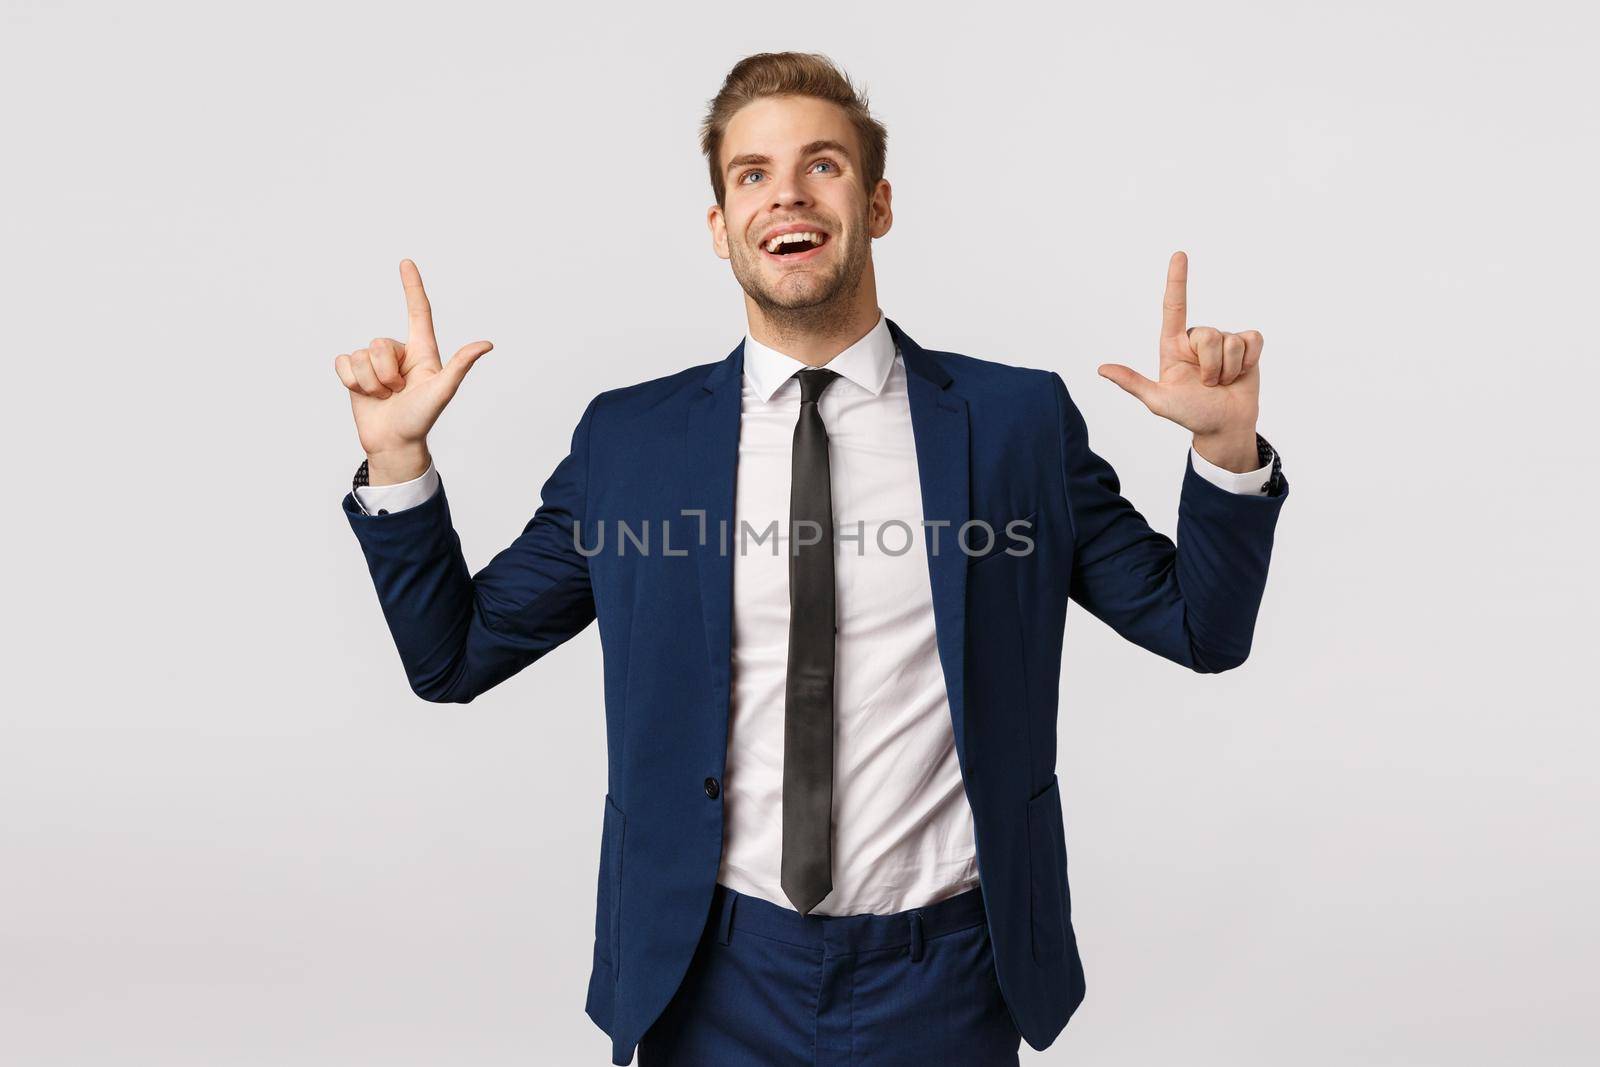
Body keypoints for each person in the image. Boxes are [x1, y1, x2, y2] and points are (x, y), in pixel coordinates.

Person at [335, 51, 1288, 1067]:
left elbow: (1200, 628)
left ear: (876, 204)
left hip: (949, 967)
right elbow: (454, 655)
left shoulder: (1015, 425)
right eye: (750, 173)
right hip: (709, 971)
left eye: (820, 164)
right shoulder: (631, 443)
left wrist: (1223, 450)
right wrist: (397, 458)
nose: (784, 190)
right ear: (719, 228)